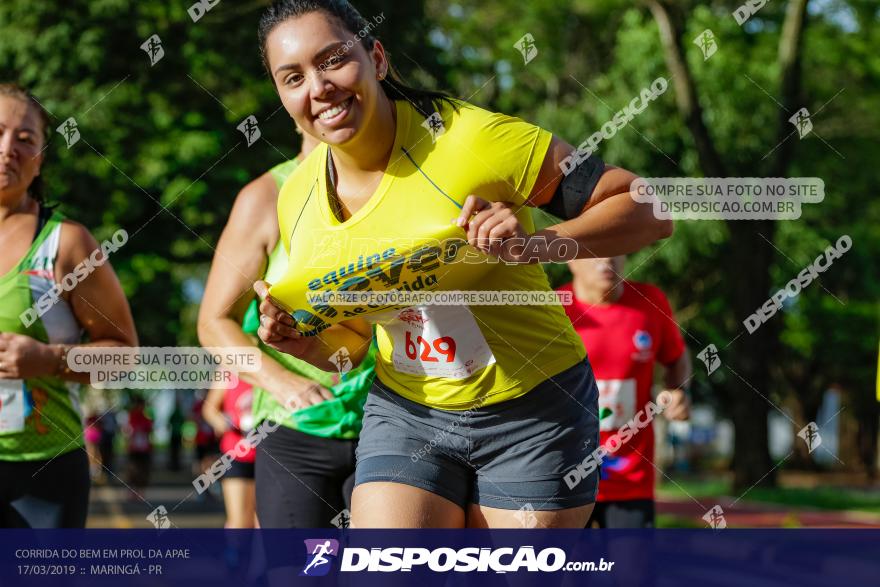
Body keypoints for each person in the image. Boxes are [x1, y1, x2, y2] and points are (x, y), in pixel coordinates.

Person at [254, 0, 672, 529]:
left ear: (376, 58)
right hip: (408, 410)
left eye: (333, 60)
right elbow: (353, 346)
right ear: (282, 96)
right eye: (293, 77)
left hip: (534, 408)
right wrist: (305, 344)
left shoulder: (470, 140)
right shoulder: (298, 203)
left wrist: (536, 244)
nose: (318, 87)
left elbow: (651, 212)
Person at [198, 124, 377, 528]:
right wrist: (280, 381)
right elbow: (213, 321)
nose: (321, 93)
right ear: (291, 112)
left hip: (388, 426)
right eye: (297, 79)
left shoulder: (396, 187)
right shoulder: (266, 196)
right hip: (294, 431)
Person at [0, 83, 137, 528]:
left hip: (42, 472)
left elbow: (123, 356)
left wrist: (48, 360)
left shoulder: (66, 243)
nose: (8, 150)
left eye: (25, 140)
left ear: (40, 160)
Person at [559, 255, 691, 528]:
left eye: (614, 249)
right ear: (570, 261)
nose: (606, 259)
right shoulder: (552, 308)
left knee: (632, 571)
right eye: (594, 251)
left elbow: (676, 357)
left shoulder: (651, 301)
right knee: (563, 569)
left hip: (630, 476)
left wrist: (678, 390)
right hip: (564, 474)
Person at [202, 378, 257, 528]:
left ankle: (260, 552)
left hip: (270, 454)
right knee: (240, 523)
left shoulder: (276, 365)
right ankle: (235, 550)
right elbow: (209, 409)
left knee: (265, 524)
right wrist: (225, 423)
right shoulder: (228, 368)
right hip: (236, 455)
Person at [125, 396, 153, 499]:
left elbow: (149, 429)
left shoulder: (146, 418)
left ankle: (141, 491)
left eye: (142, 405)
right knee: (133, 470)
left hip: (144, 448)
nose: (141, 407)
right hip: (134, 448)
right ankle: (132, 491)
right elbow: (127, 431)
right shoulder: (131, 417)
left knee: (144, 470)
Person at [167, 398, 185, 471]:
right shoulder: (180, 413)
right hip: (178, 433)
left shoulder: (174, 412)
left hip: (174, 434)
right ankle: (176, 465)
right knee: (177, 451)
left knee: (173, 451)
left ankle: (174, 465)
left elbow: (169, 421)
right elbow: (183, 421)